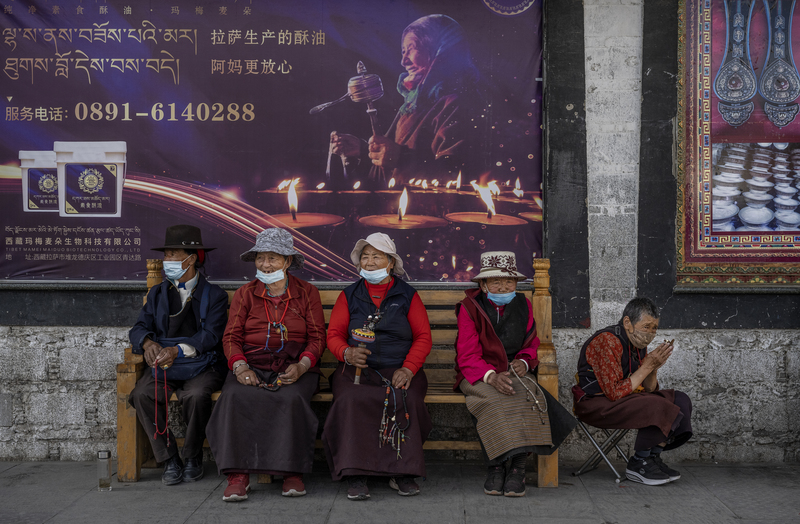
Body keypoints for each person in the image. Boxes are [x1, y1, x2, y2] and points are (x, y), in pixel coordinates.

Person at [205, 228, 325, 501]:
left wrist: (303, 367)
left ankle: (291, 472)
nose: (265, 264)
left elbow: (317, 338)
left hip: (294, 365)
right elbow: (232, 337)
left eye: (272, 258)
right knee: (235, 396)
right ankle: (238, 475)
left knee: (292, 398)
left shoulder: (307, 293)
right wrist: (240, 368)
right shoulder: (245, 294)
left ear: (288, 262)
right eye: (260, 258)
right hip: (251, 363)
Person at [454, 251, 576, 497]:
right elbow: (467, 355)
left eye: (508, 281)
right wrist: (490, 376)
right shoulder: (470, 308)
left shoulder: (524, 304)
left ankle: (518, 468)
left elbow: (531, 345)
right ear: (483, 284)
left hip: (513, 371)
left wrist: (525, 362)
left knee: (527, 394)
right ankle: (496, 466)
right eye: (496, 281)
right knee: (492, 399)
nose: (503, 286)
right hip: (478, 373)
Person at [323, 232, 432, 500]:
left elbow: (423, 337)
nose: (369, 262)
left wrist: (408, 368)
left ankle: (402, 471)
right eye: (365, 257)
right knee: (350, 398)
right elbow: (334, 334)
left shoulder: (408, 295)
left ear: (391, 262)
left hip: (400, 367)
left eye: (377, 256)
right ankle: (355, 471)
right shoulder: (348, 295)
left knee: (407, 397)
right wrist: (346, 353)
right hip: (357, 369)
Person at [329, 14, 484, 187]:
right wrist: (366, 152)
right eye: (403, 51)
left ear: (439, 50)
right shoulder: (416, 102)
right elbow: (396, 164)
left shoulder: (458, 103)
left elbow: (460, 174)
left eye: (411, 49)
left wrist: (400, 158)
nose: (404, 61)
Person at [128, 225, 228, 485]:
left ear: (191, 259)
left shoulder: (215, 295)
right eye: (166, 255)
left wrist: (177, 350)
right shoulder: (158, 293)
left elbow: (211, 336)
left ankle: (193, 455)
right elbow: (139, 327)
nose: (167, 261)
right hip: (164, 365)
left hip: (203, 364)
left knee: (196, 395)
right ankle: (170, 457)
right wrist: (148, 343)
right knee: (141, 394)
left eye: (173, 254)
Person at [573, 297, 693, 486]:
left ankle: (653, 457)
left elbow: (649, 388)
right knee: (655, 404)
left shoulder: (638, 346)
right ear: (628, 322)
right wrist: (646, 367)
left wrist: (653, 367)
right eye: (646, 326)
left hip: (626, 399)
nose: (651, 333)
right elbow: (612, 392)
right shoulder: (608, 341)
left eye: (654, 328)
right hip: (596, 404)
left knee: (680, 399)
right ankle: (639, 462)